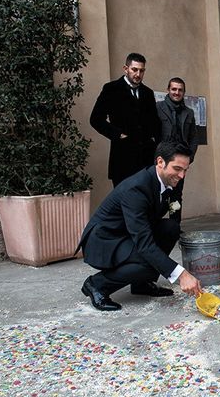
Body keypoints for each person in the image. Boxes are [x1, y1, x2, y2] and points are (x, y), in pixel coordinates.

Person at [78, 141, 202, 311]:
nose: (182, 175)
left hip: (127, 234)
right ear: (160, 162)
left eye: (185, 170)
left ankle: (141, 284)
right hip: (105, 240)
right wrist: (181, 274)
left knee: (170, 228)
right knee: (146, 262)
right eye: (177, 169)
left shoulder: (171, 179)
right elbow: (144, 244)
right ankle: (96, 284)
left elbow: (174, 204)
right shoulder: (136, 188)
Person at [90, 53, 161, 187]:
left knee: (145, 203)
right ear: (125, 68)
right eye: (134, 69)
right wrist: (118, 135)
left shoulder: (148, 93)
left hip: (146, 159)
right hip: (122, 158)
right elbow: (95, 119)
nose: (138, 74)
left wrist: (157, 145)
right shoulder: (111, 89)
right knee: (124, 203)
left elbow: (155, 123)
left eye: (141, 70)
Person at [156, 77, 198, 223]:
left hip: (180, 162)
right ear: (168, 90)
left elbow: (193, 138)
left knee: (176, 195)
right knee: (159, 193)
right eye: (174, 89)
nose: (177, 92)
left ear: (184, 92)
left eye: (180, 90)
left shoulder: (189, 112)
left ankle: (174, 225)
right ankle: (156, 224)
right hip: (163, 161)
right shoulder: (158, 107)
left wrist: (189, 158)